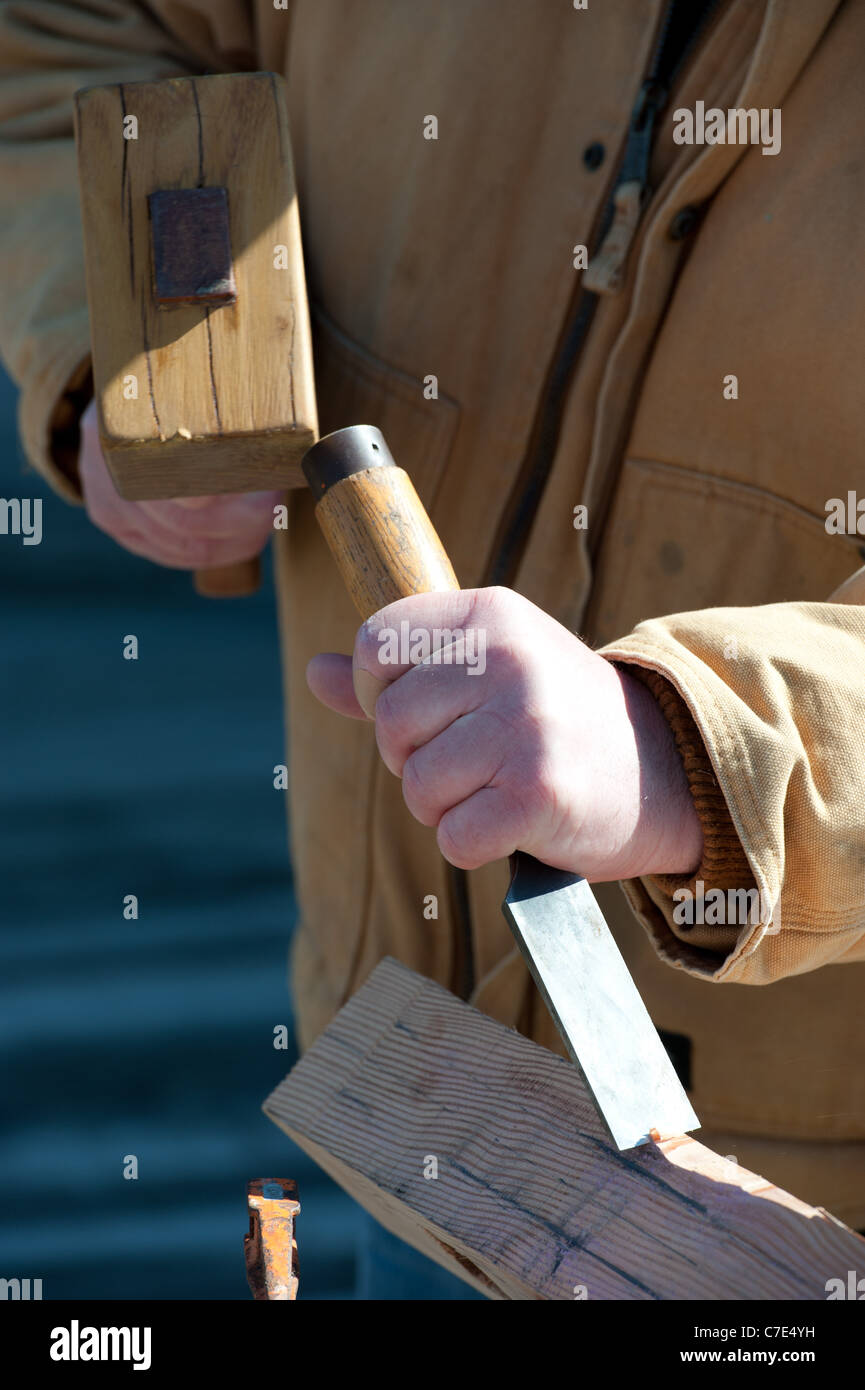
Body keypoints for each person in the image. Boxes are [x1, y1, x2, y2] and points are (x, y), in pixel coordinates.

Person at [2, 0, 864, 1299]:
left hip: (783, 1233)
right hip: (424, 1107)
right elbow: (77, 31)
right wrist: (155, 353)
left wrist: (693, 750)